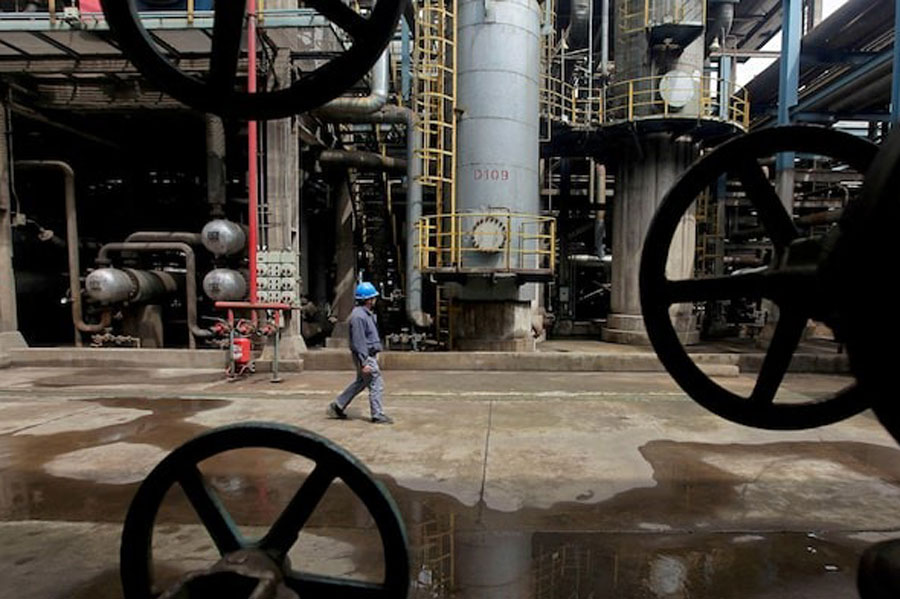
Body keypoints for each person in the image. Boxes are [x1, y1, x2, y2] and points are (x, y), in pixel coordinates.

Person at [327, 281, 394, 424]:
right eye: (373, 297)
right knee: (376, 382)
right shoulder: (358, 317)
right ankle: (377, 414)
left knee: (361, 382)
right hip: (365, 356)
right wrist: (364, 362)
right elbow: (359, 341)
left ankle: (338, 405)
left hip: (367, 355)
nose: (375, 300)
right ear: (368, 299)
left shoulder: (365, 314)